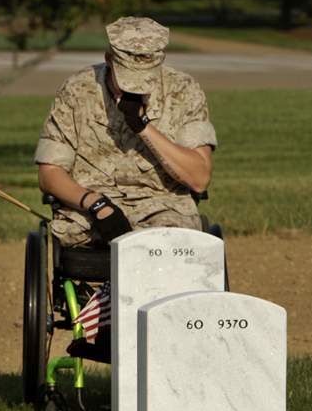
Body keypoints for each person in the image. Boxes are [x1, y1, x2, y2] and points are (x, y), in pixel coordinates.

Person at [35, 16, 218, 249]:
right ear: (108, 60)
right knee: (74, 235)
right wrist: (95, 203)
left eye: (146, 80)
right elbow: (49, 173)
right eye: (128, 81)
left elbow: (199, 179)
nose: (137, 89)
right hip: (90, 209)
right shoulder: (76, 90)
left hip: (164, 209)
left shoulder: (184, 91)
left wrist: (144, 127)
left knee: (176, 244)